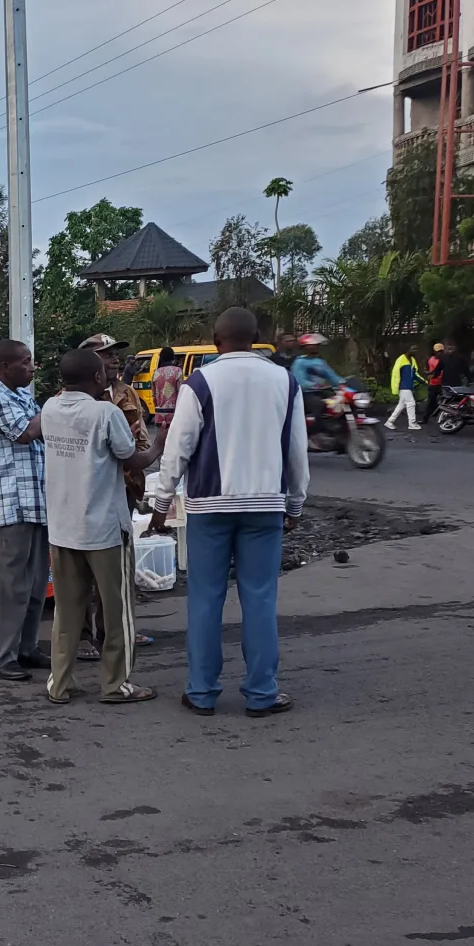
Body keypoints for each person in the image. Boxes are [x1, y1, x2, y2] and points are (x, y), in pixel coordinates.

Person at [148, 307, 310, 718]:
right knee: (259, 598)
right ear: (256, 336)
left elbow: (177, 448)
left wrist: (161, 504)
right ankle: (261, 693)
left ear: (215, 340)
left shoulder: (200, 381)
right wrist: (295, 504)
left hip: (209, 508)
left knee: (205, 599)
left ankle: (201, 693)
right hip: (265, 507)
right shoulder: (284, 381)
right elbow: (297, 452)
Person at [42, 349, 166, 706]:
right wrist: (159, 444)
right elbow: (133, 459)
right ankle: (116, 684)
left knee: (67, 611)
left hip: (63, 528)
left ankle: (59, 683)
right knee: (117, 611)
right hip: (104, 531)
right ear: (97, 378)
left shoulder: (49, 410)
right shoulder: (105, 413)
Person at [0, 340, 49, 682]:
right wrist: (61, 407)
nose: (33, 368)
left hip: (34, 503)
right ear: (5, 367)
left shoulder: (21, 395)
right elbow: (24, 432)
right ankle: (1, 656)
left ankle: (27, 648)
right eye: (26, 362)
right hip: (7, 505)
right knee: (8, 587)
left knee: (34, 585)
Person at [291, 333, 345, 421]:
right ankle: (316, 428)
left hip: (324, 391)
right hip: (307, 393)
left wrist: (342, 383)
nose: (316, 347)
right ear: (304, 348)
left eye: (316, 345)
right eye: (312, 345)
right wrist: (317, 386)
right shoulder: (299, 362)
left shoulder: (320, 361)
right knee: (319, 405)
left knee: (341, 402)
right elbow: (300, 381)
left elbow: (331, 376)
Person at [385, 346, 422, 431]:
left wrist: (424, 381)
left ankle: (390, 421)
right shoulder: (401, 360)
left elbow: (415, 374)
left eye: (416, 349)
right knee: (411, 403)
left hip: (408, 386)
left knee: (401, 405)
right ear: (408, 350)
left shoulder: (412, 360)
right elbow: (395, 375)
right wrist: (395, 387)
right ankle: (412, 423)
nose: (416, 351)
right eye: (414, 349)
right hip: (403, 386)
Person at [150, 346, 184, 430]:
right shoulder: (177, 371)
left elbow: (153, 395)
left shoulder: (156, 373)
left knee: (161, 442)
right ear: (172, 357)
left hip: (159, 416)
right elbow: (181, 393)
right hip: (174, 415)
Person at [425, 343, 445, 419]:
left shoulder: (444, 360)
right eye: (438, 351)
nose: (440, 353)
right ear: (434, 351)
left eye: (441, 351)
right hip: (433, 383)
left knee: (444, 401)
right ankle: (426, 418)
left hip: (442, 383)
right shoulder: (430, 359)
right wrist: (430, 373)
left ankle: (440, 415)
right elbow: (425, 370)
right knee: (431, 401)